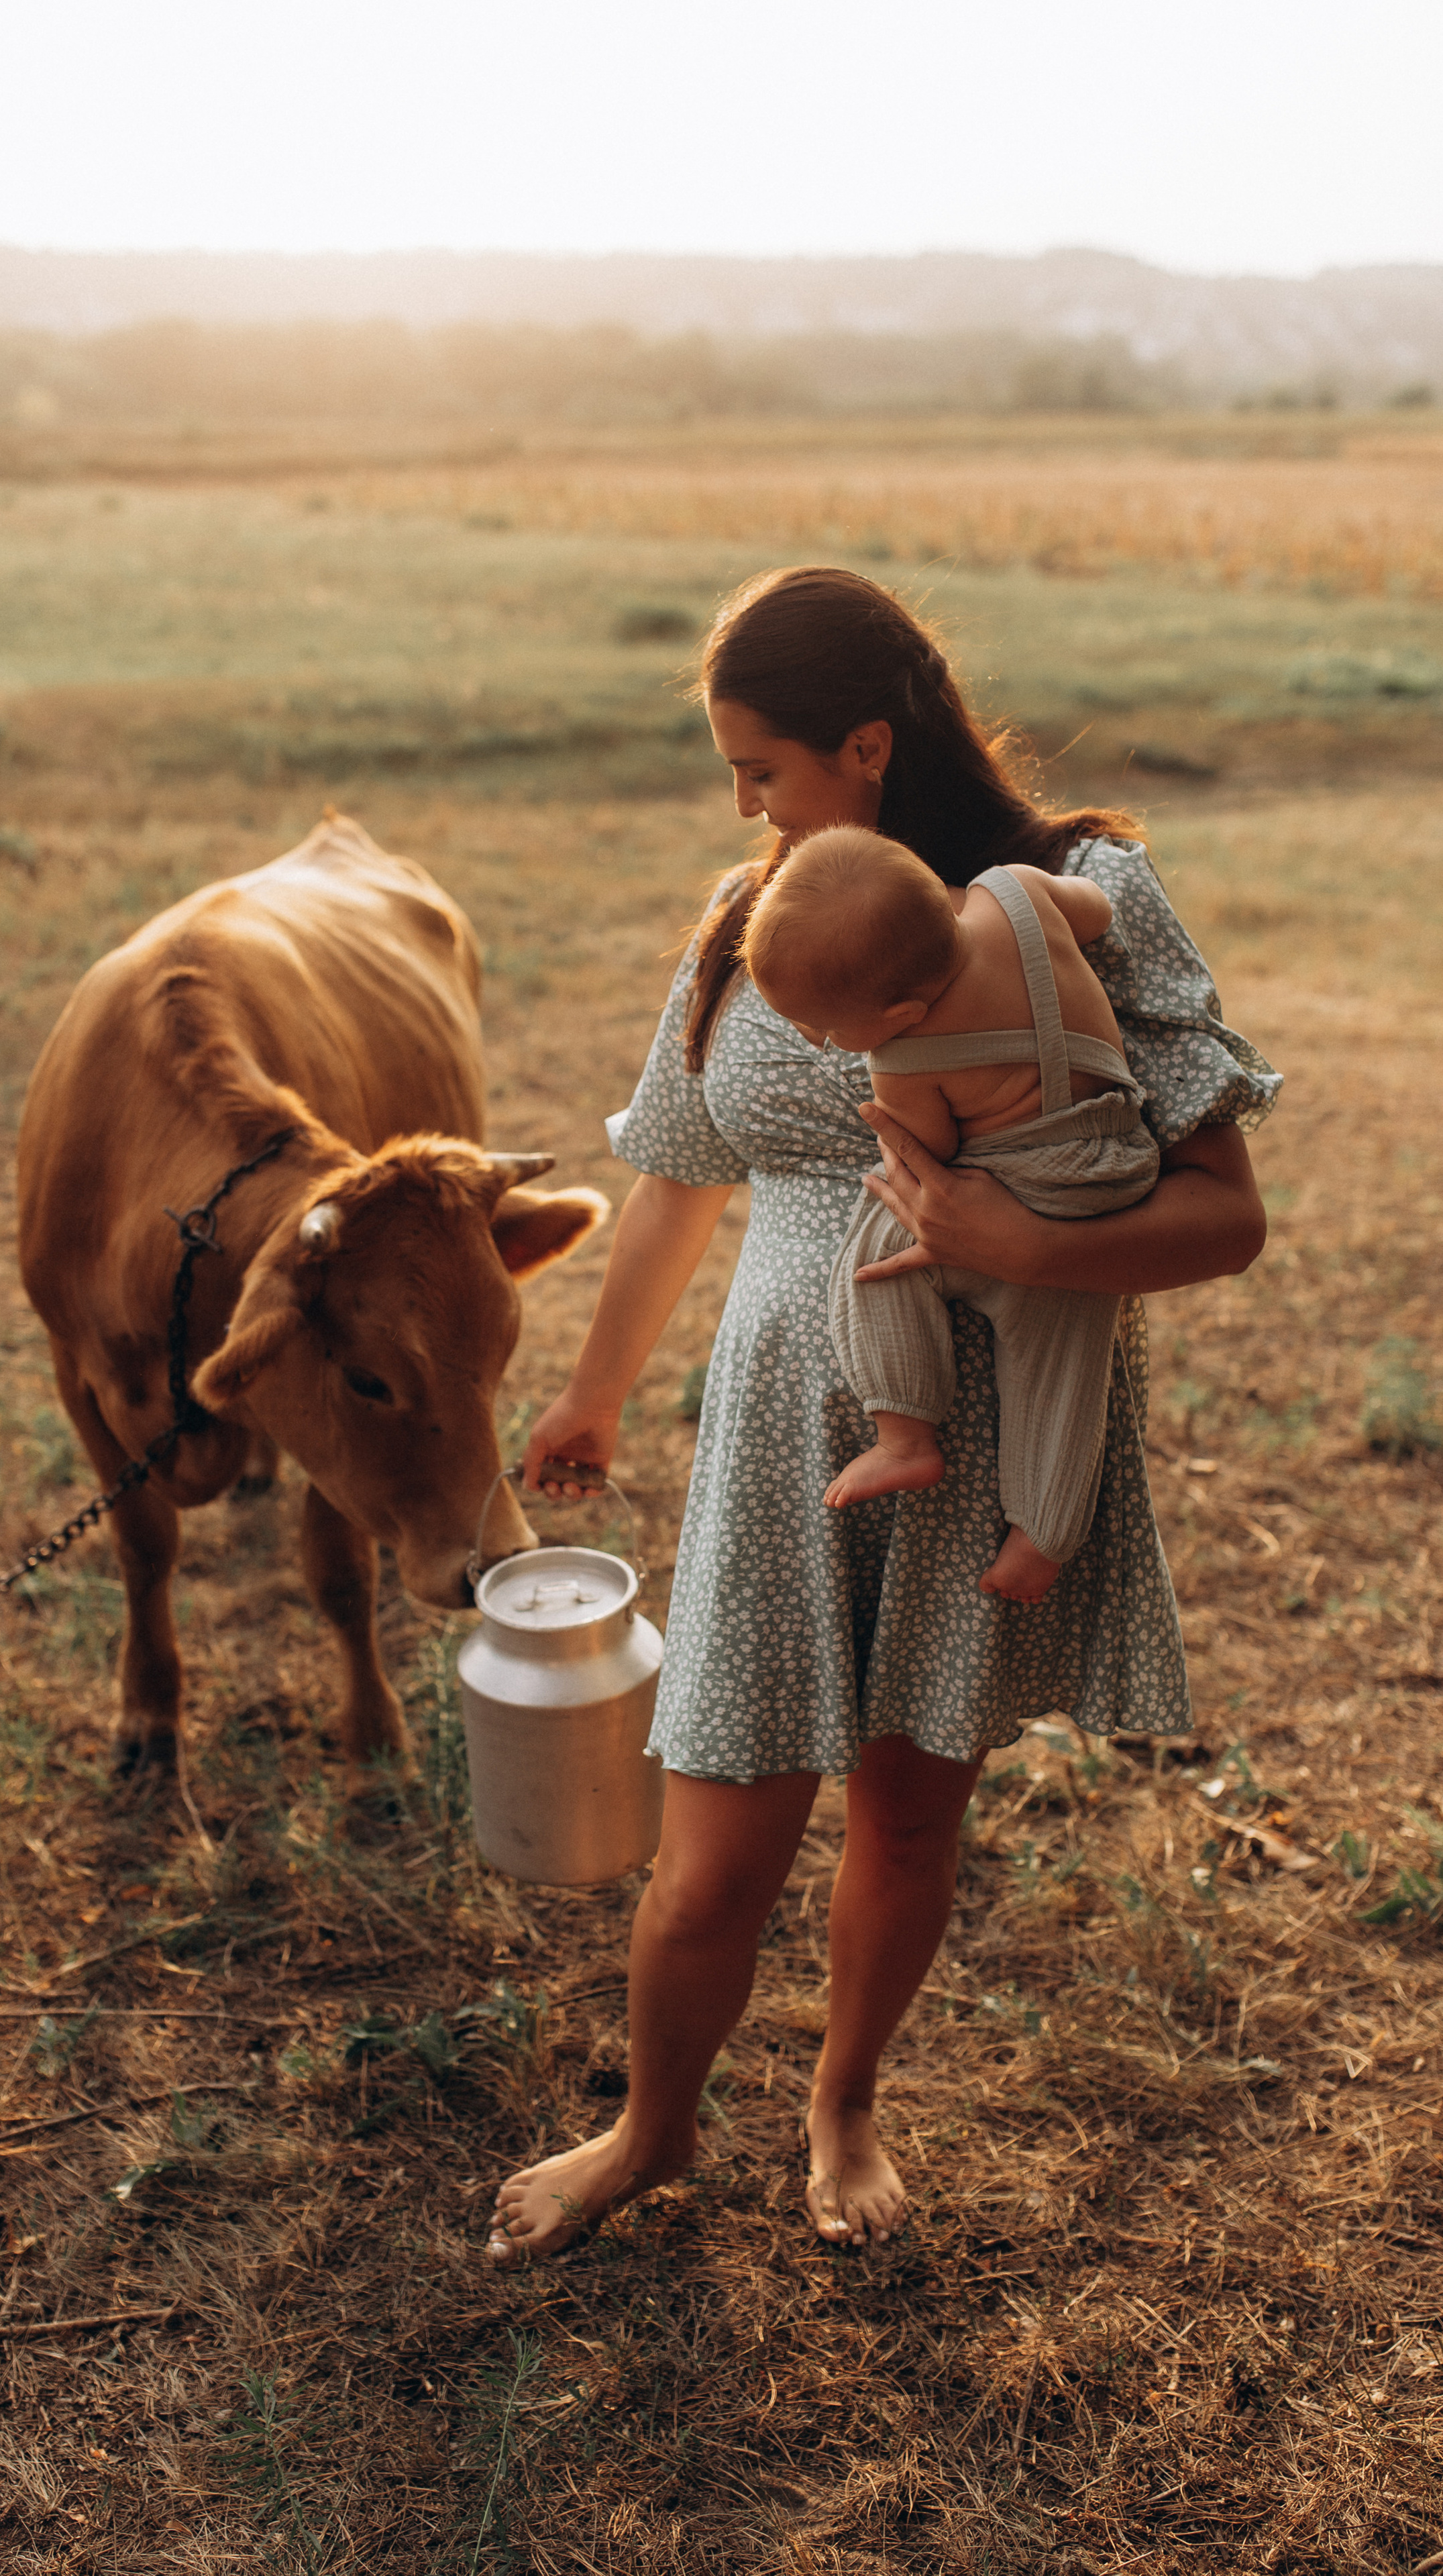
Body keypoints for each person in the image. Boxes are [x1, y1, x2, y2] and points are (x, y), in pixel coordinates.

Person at [487, 565, 1279, 2265]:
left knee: (910, 1809)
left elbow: (1226, 1213)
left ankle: (842, 2098)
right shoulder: (747, 916)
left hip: (988, 1421)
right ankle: (651, 2126)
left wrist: (1013, 1236)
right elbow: (674, 1180)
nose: (741, 806)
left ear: (863, 742)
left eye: (758, 769)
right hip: (781, 1429)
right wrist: (591, 1388)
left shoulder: (1080, 889)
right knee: (710, 1843)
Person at [739, 824, 1160, 1606]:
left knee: (872, 1257)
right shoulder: (1016, 890)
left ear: (901, 1012)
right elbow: (1096, 911)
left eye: (829, 1031)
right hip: (1115, 1165)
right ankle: (1043, 1539)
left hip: (1024, 1180)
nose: (818, 1041)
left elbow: (927, 1158)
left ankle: (904, 1435)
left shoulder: (907, 1059)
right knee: (1062, 1361)